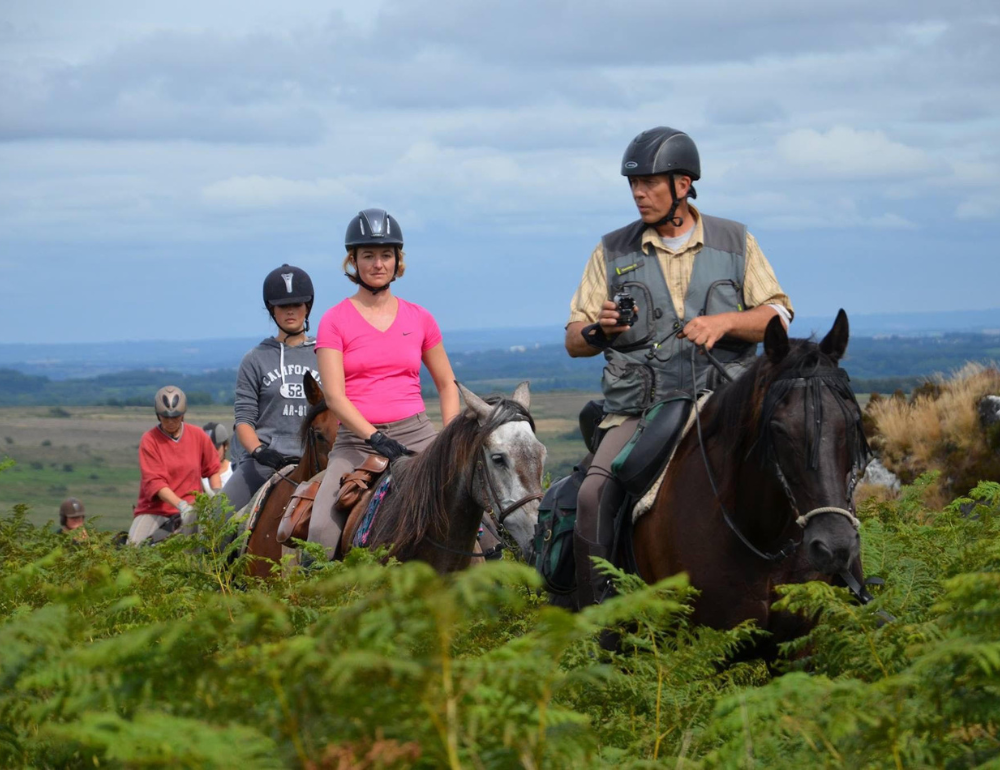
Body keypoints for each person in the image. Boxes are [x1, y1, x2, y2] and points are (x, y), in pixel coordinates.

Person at [564, 126, 795, 607]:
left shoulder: (736, 242)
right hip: (640, 411)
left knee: (806, 461)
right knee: (591, 497)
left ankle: (846, 584)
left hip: (728, 402)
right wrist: (600, 331)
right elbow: (573, 339)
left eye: (649, 183)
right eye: (633, 184)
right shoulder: (611, 250)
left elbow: (778, 316)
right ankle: (599, 618)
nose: (638, 194)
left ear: (683, 184)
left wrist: (725, 322)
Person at [307, 208, 460, 557]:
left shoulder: (420, 317)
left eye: (386, 255)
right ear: (353, 261)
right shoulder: (334, 320)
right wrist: (374, 436)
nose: (378, 264)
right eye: (369, 256)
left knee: (481, 521)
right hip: (357, 443)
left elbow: (447, 384)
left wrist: (450, 438)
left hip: (417, 434)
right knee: (319, 529)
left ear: (397, 261)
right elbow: (333, 395)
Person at [221, 265, 322, 511]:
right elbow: (244, 420)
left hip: (316, 459)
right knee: (216, 515)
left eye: (297, 304)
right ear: (271, 309)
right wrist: (259, 451)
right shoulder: (255, 359)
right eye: (282, 305)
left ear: (307, 307)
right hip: (265, 460)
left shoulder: (325, 355)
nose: (290, 311)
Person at [130, 385, 221, 545]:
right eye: (166, 417)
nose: (171, 422)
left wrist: (218, 495)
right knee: (133, 548)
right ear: (158, 416)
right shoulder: (149, 440)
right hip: (157, 511)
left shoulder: (198, 435)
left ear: (183, 415)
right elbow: (155, 483)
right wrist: (181, 505)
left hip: (194, 509)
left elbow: (213, 469)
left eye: (175, 417)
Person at [201, 421, 234, 493]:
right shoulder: (199, 476)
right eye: (207, 449)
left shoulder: (235, 471)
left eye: (216, 449)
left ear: (226, 446)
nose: (211, 453)